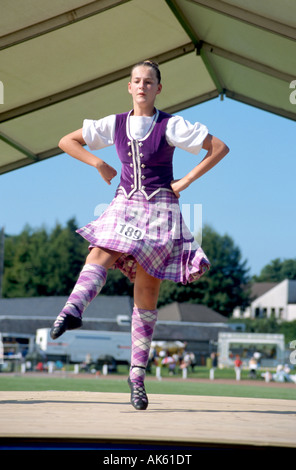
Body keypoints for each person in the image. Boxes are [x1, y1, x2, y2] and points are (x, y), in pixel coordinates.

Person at [50, 60, 229, 410]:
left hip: (161, 206)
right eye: (136, 80)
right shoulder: (114, 124)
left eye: (149, 81)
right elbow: (66, 141)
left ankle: (136, 378)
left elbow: (219, 147)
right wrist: (98, 163)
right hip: (126, 200)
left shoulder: (172, 125)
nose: (143, 86)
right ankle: (72, 309)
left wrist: (186, 181)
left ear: (158, 88)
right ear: (129, 87)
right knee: (101, 249)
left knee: (147, 290)